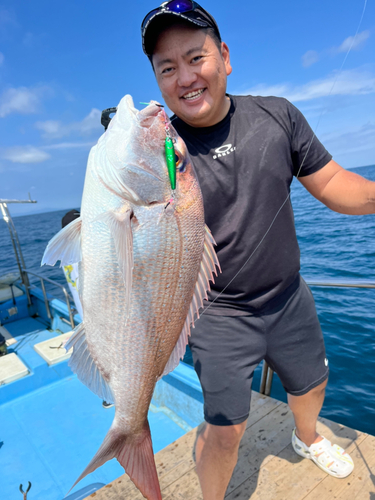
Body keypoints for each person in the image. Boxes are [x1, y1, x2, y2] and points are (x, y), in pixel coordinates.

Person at [140, 2, 375, 498]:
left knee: (311, 386)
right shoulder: (159, 151)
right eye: (167, 68)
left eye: (195, 57)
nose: (185, 77)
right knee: (225, 431)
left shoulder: (278, 115)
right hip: (216, 313)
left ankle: (306, 436)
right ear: (158, 80)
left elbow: (332, 182)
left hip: (289, 296)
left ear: (224, 57)